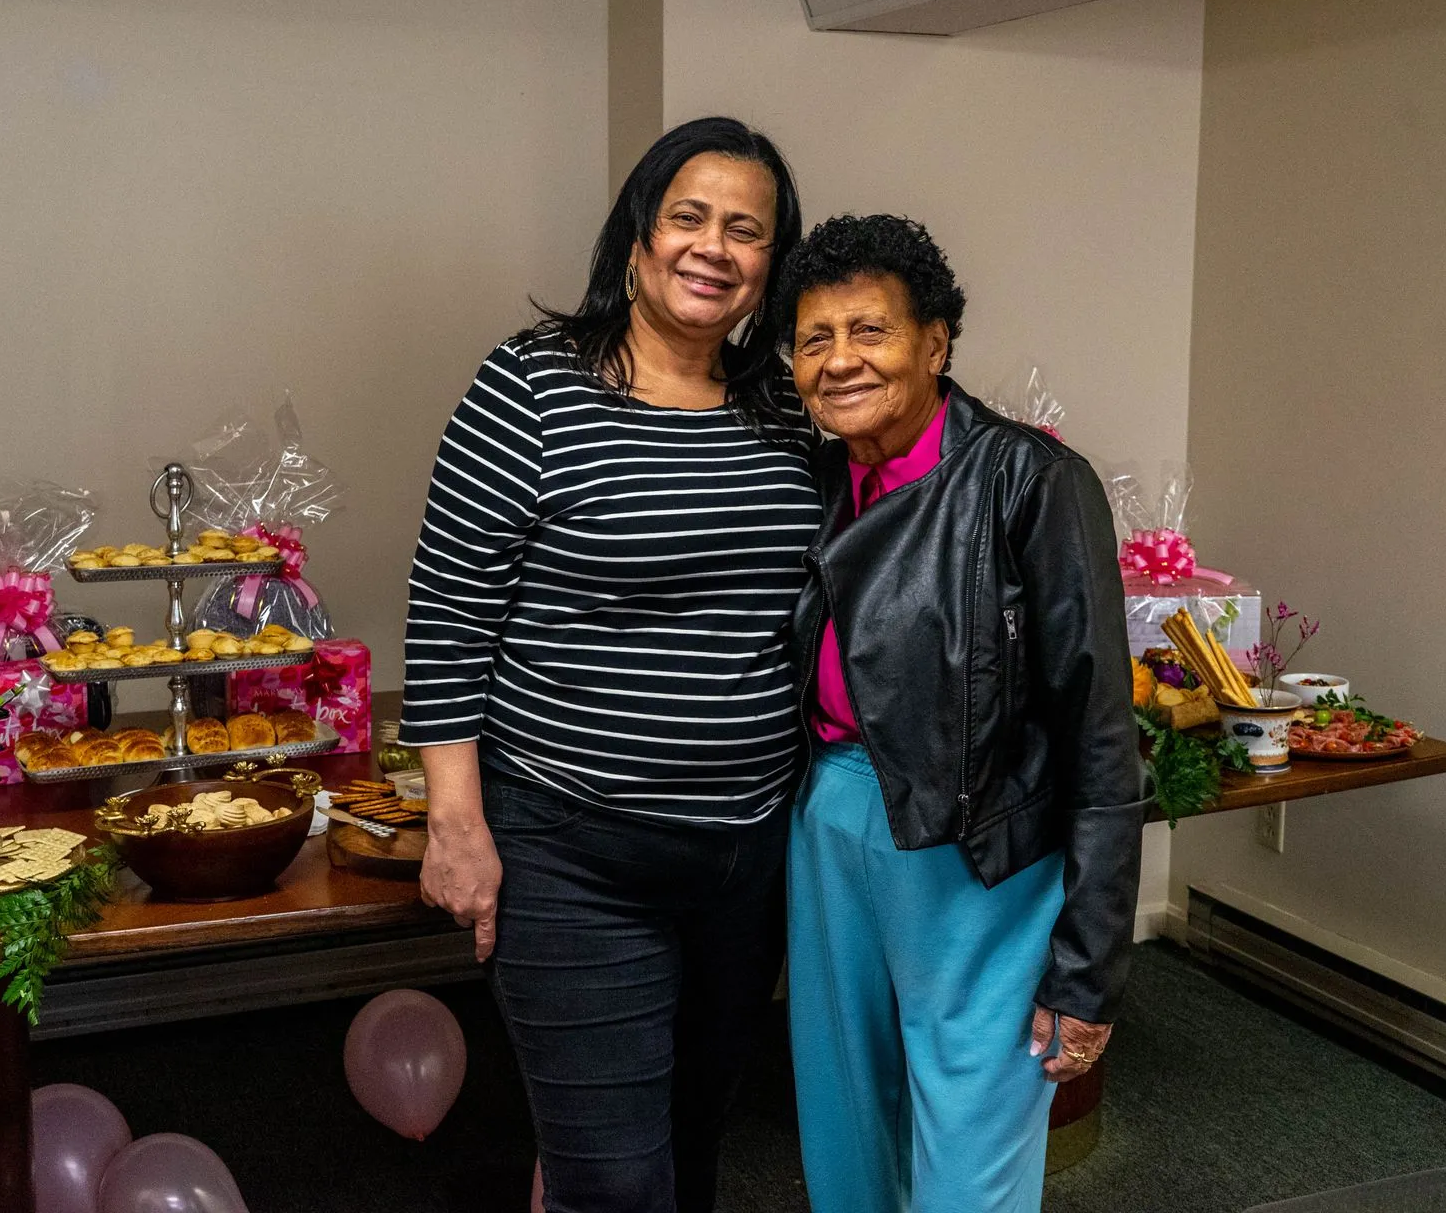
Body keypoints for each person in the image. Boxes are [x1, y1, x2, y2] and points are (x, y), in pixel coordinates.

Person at [399, 117, 813, 1213]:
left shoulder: (785, 406)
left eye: (746, 230)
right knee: (617, 1183)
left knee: (693, 1147)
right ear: (637, 237)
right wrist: (456, 821)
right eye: (689, 217)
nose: (713, 246)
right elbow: (448, 615)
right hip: (573, 850)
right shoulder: (531, 386)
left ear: (772, 264)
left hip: (748, 854)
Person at [777, 214, 1146, 1212]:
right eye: (814, 339)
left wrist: (1088, 969)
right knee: (845, 1124)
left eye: (870, 330)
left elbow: (1101, 736)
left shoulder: (1031, 482)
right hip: (832, 821)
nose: (840, 360)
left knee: (970, 1155)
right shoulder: (816, 478)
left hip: (980, 852)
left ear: (935, 343)